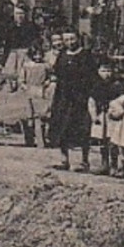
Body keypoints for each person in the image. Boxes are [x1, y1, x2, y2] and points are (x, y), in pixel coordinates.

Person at [48, 32, 96, 171]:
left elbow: (92, 76)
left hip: (80, 96)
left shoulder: (86, 55)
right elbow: (57, 72)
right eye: (66, 39)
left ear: (78, 39)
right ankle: (64, 160)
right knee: (62, 126)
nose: (70, 42)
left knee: (82, 128)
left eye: (72, 38)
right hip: (63, 96)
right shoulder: (62, 55)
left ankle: (84, 161)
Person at [87, 59, 124, 175]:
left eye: (109, 70)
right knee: (102, 142)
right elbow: (91, 102)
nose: (106, 73)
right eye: (103, 70)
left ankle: (114, 165)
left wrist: (117, 112)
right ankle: (104, 164)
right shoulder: (96, 86)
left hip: (112, 117)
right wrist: (93, 116)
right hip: (101, 117)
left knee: (113, 142)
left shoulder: (117, 86)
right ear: (98, 71)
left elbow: (122, 101)